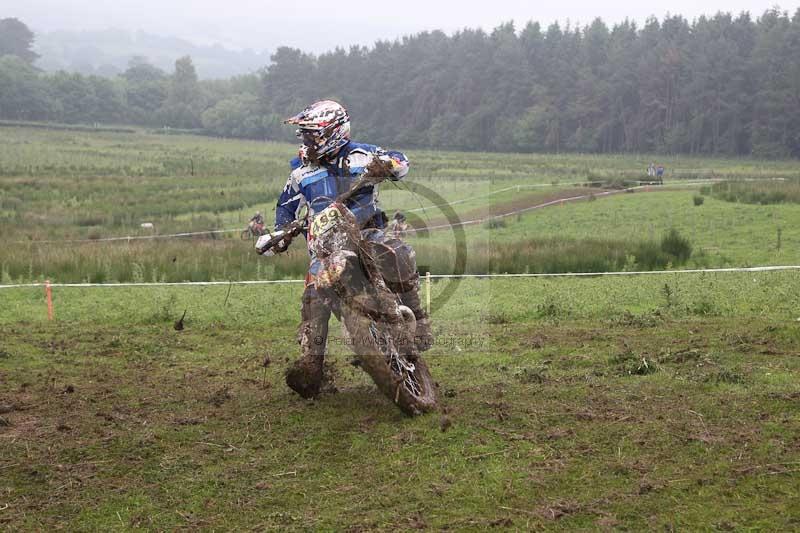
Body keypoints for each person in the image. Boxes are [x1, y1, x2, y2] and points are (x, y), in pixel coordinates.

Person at [265, 100, 432, 399]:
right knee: (313, 298)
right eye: (304, 135)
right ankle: (311, 364)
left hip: (367, 232)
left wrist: (389, 165)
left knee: (399, 252)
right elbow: (285, 207)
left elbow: (401, 160)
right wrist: (280, 233)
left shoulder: (361, 154)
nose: (307, 140)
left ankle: (418, 319)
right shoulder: (300, 171)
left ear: (332, 132)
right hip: (325, 250)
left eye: (312, 134)